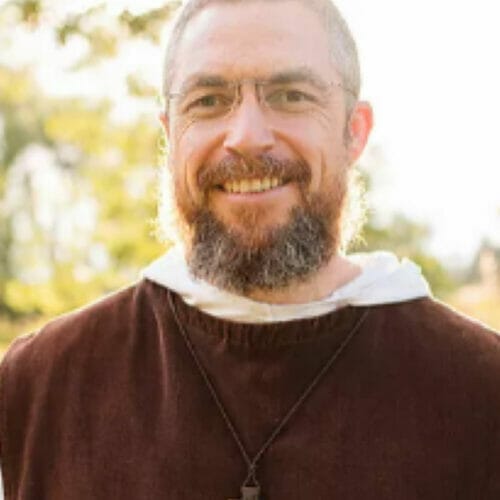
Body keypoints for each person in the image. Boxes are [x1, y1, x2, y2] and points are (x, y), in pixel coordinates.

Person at [1, 0, 499, 498]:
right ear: (170, 136)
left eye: (290, 96)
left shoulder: (480, 393)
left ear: (354, 132)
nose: (246, 138)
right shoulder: (41, 387)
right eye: (209, 101)